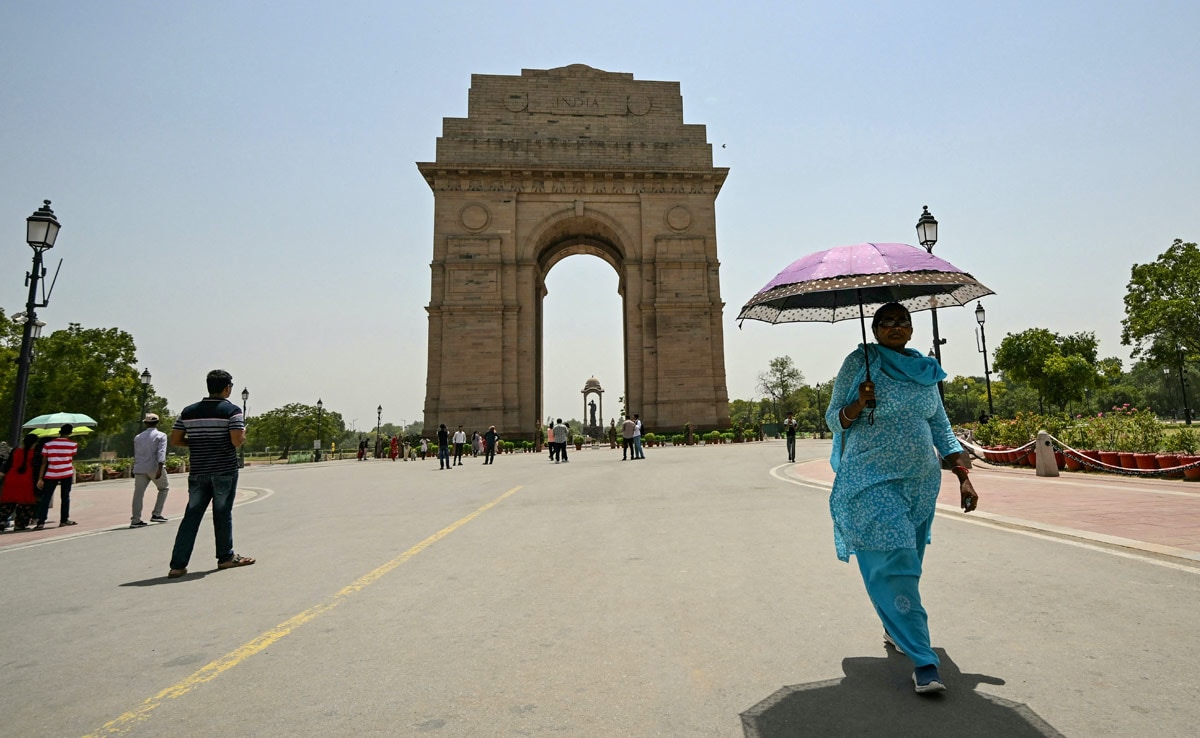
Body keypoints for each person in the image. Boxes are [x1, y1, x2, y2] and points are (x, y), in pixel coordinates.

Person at [824, 302, 979, 695]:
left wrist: (963, 476)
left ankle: (896, 627)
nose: (895, 327)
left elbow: (940, 427)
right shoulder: (861, 362)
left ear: (911, 329)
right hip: (871, 480)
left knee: (908, 563)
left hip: (920, 483)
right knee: (896, 560)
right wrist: (859, 402)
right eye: (886, 322)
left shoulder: (925, 370)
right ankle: (924, 661)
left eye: (902, 321)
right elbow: (832, 420)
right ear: (874, 329)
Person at [167, 369, 255, 578]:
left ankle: (177, 565)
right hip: (224, 470)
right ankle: (225, 557)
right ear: (227, 388)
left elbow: (177, 440)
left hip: (199, 470)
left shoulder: (188, 411)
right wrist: (243, 435)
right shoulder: (231, 411)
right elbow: (236, 440)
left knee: (192, 515)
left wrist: (198, 442)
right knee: (222, 514)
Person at [35, 424, 80, 529]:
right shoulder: (73, 445)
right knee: (65, 497)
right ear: (70, 432)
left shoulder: (48, 445)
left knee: (46, 497)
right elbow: (71, 456)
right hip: (66, 473)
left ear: (60, 431)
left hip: (51, 473)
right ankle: (64, 520)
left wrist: (40, 478)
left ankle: (41, 521)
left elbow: (44, 462)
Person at [130, 413, 170, 528]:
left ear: (146, 423)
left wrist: (135, 468)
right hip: (154, 467)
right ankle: (156, 514)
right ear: (157, 422)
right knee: (164, 488)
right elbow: (161, 452)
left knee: (138, 494)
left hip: (140, 467)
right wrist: (160, 467)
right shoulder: (161, 435)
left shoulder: (138, 437)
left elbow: (137, 454)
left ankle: (135, 519)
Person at [0, 433, 41, 531]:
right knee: (25, 505)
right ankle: (20, 524)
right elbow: (37, 468)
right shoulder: (35, 453)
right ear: (34, 443)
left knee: (7, 503)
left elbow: (8, 464)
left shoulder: (15, 451)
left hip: (12, 478)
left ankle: (1, 520)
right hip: (27, 480)